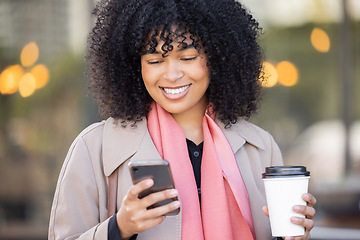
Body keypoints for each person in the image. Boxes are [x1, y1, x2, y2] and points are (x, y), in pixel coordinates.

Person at [48, 0, 316, 239]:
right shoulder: (94, 148)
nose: (172, 75)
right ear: (134, 66)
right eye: (154, 61)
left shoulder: (260, 147)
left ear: (218, 58)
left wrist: (296, 235)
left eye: (187, 57)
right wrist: (120, 227)